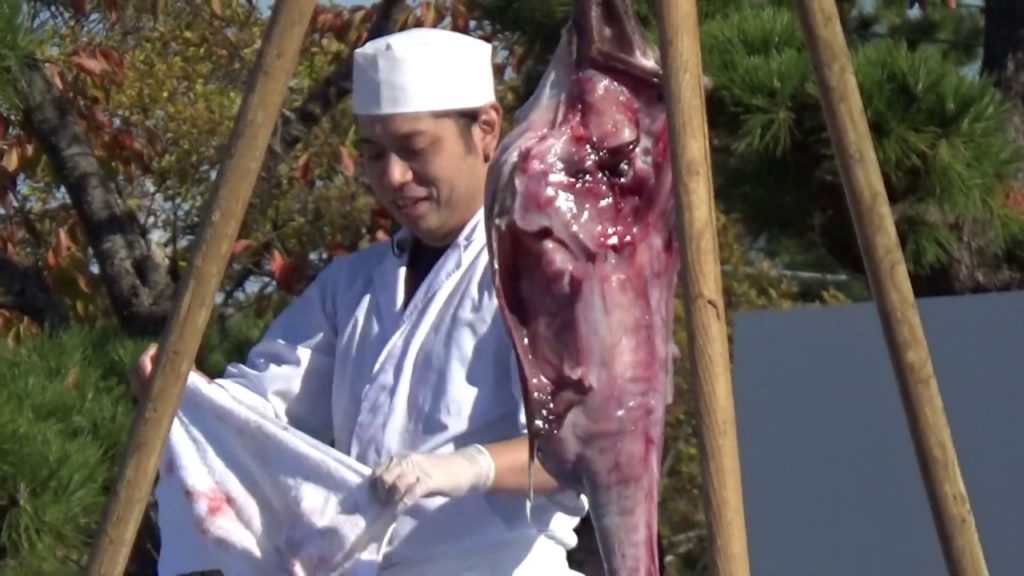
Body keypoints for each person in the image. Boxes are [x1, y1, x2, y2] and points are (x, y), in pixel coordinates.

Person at [131, 27, 587, 575]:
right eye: (374, 155)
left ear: (485, 129)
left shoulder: (549, 274)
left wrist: (468, 467)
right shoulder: (353, 285)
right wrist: (188, 397)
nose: (394, 177)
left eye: (415, 150)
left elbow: (589, 446)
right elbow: (263, 404)